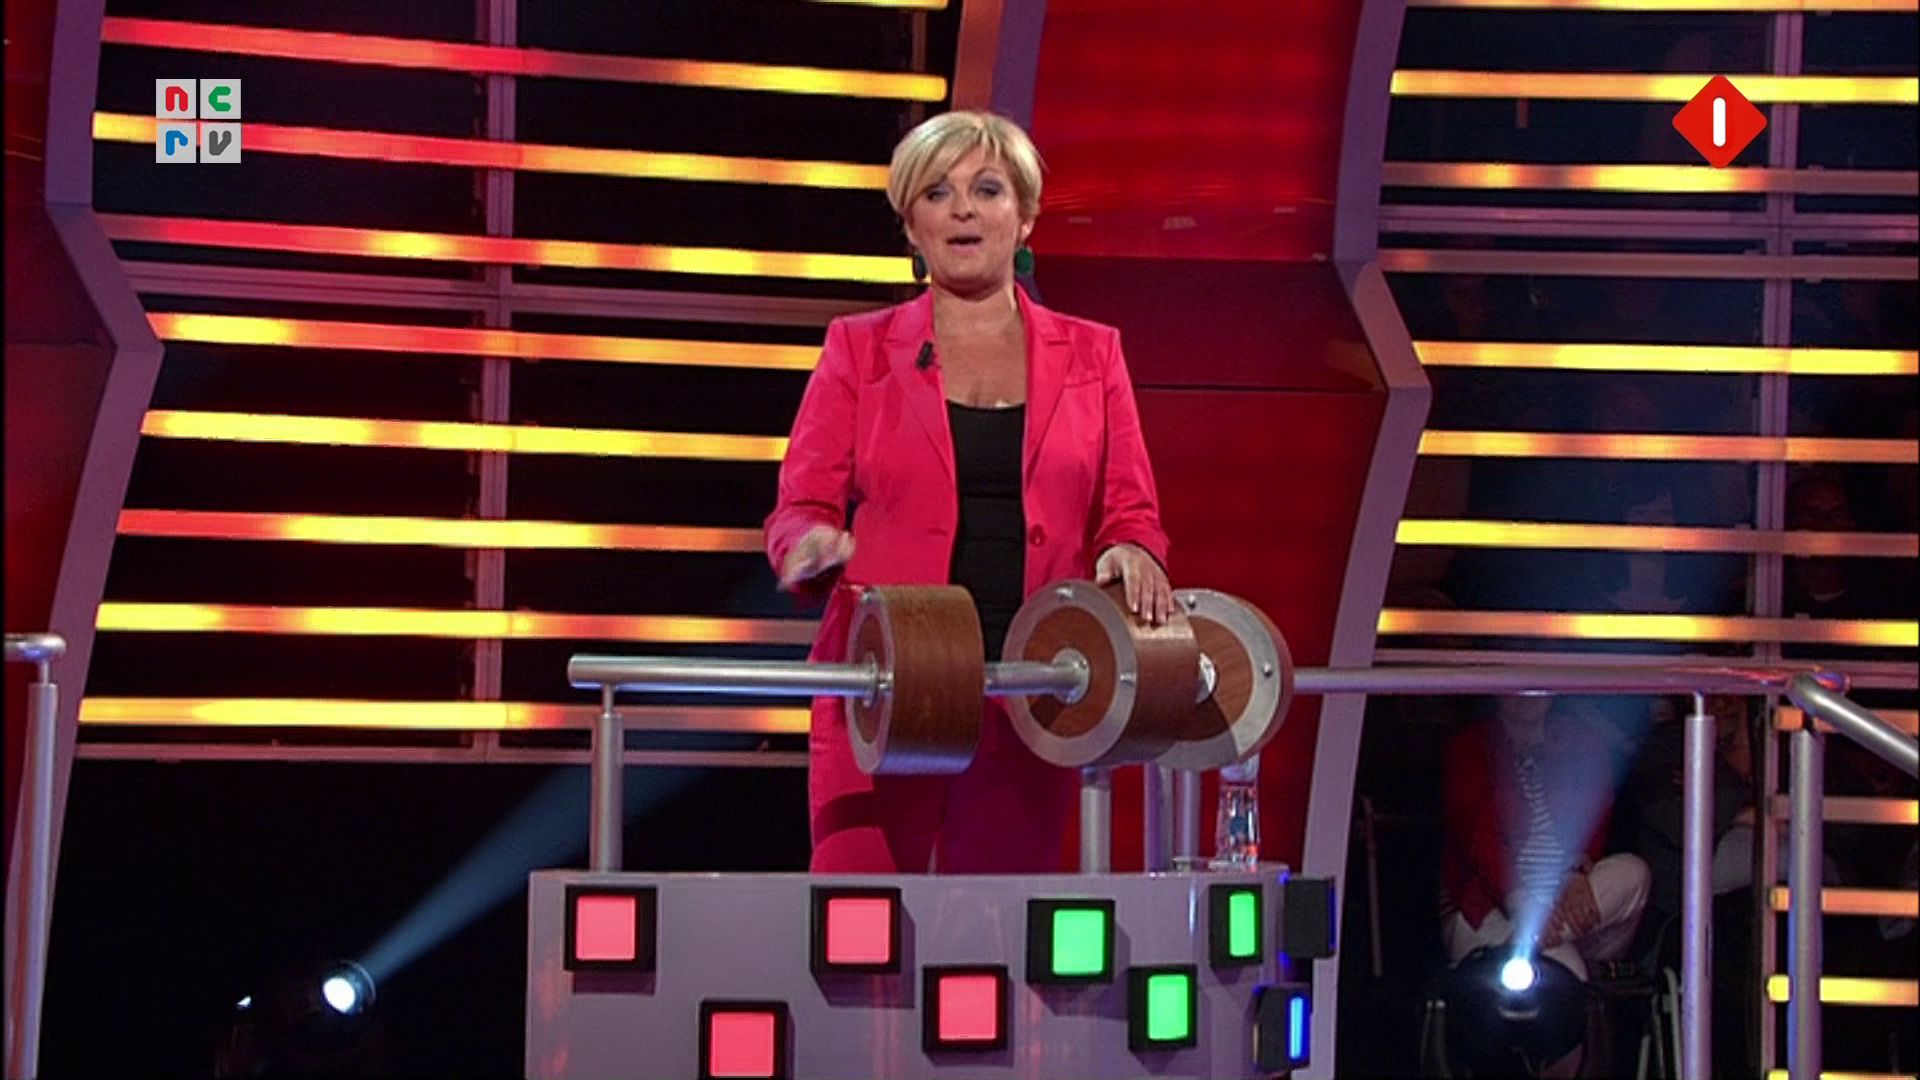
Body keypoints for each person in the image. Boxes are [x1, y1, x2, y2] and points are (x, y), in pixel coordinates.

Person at [764, 110, 1174, 874]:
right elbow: (801, 508)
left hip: (1034, 686)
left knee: (1000, 931)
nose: (962, 210)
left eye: (987, 190)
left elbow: (1132, 510)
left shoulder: (1094, 353)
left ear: (1025, 218)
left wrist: (1133, 549)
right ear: (910, 226)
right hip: (887, 684)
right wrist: (808, 547)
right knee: (863, 927)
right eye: (937, 193)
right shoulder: (858, 346)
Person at [1439, 695, 1651, 984]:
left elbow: (1593, 814)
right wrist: (1522, 903)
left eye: (1536, 688)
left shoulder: (1582, 742)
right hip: (1492, 902)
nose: (1527, 696)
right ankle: (1540, 946)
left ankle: (1542, 941)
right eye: (1517, 687)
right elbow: (1479, 838)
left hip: (1560, 894)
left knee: (1633, 873)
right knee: (1561, 971)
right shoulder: (1471, 746)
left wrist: (1575, 873)